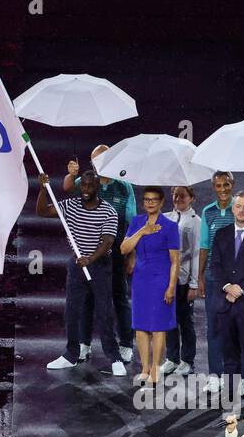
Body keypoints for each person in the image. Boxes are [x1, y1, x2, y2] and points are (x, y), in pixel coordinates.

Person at [36, 170, 125, 376]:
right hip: (77, 264)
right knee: (72, 311)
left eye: (90, 186)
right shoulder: (70, 205)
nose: (85, 190)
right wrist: (42, 188)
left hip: (100, 265)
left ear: (97, 187)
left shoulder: (109, 211)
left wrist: (90, 259)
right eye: (83, 185)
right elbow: (42, 211)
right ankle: (70, 355)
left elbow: (107, 242)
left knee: (104, 312)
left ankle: (114, 357)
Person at [198, 171, 244, 390]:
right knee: (228, 349)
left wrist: (241, 288)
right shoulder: (221, 234)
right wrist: (227, 286)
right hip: (225, 298)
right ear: (233, 208)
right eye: (238, 207)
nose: (241, 211)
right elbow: (215, 263)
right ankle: (231, 391)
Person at [64, 145, 135, 363]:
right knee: (87, 299)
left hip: (117, 253)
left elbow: (132, 222)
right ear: (92, 162)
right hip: (88, 253)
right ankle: (84, 345)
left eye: (104, 158)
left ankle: (125, 344)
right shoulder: (86, 183)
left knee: (120, 298)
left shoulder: (124, 187)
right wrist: (71, 174)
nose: (100, 162)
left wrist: (132, 255)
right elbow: (67, 188)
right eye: (96, 159)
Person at [120, 186, 179, 387]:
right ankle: (144, 368)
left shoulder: (170, 226)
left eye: (154, 199)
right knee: (141, 325)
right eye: (146, 199)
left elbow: (175, 261)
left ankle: (155, 367)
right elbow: (123, 248)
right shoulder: (137, 222)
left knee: (158, 326)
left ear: (162, 202)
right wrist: (142, 231)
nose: (150, 203)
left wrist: (171, 286)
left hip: (161, 279)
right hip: (141, 280)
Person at [163, 185, 200, 376]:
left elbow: (195, 254)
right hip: (167, 279)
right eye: (175, 195)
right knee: (169, 320)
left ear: (191, 198)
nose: (178, 199)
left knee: (185, 321)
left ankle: (187, 360)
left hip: (184, 280)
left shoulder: (196, 222)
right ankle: (171, 358)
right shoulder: (166, 218)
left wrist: (194, 283)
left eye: (183, 195)